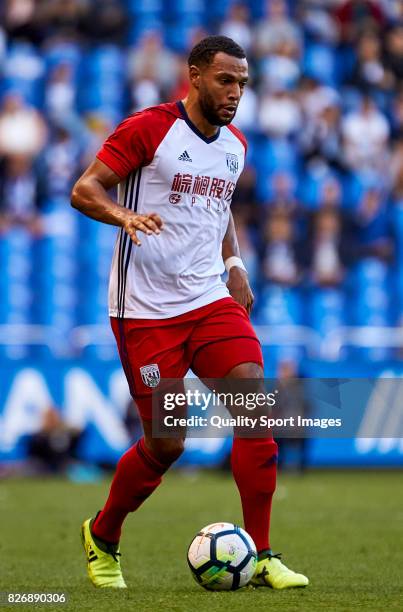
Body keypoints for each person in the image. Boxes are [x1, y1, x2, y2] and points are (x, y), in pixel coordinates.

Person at [71, 35, 308, 591]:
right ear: (195, 75)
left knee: (256, 404)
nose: (235, 93)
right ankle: (103, 535)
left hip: (207, 298)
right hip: (145, 311)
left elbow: (219, 206)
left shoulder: (235, 147)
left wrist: (235, 262)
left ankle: (264, 555)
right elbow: (84, 191)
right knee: (168, 441)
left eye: (243, 84)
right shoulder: (149, 129)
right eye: (225, 80)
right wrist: (124, 217)